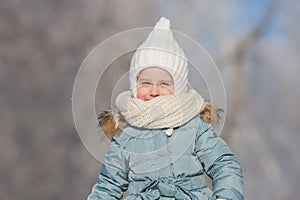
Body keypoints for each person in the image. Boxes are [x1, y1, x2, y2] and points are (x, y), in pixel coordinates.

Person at [87, 17, 244, 200]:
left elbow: (224, 164)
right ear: (134, 84)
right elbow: (108, 186)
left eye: (164, 83)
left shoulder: (193, 127)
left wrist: (225, 196)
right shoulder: (125, 135)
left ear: (177, 88)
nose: (154, 91)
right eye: (145, 82)